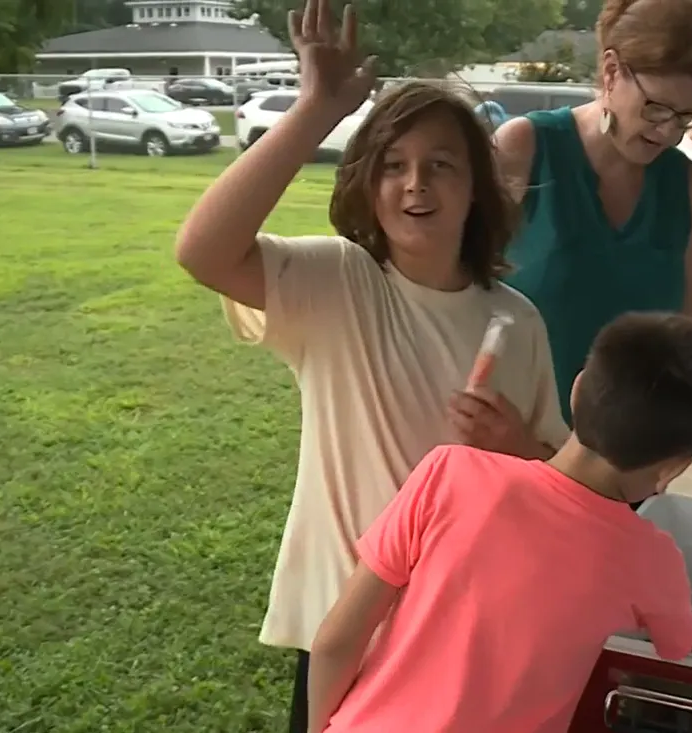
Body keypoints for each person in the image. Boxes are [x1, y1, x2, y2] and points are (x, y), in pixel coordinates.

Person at [174, 2, 569, 731]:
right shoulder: (338, 282)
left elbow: (562, 486)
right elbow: (202, 251)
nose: (415, 183)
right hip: (344, 633)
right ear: (367, 181)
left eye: (441, 165)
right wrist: (314, 112)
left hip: (462, 640)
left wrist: (519, 450)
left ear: (477, 186)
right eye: (393, 165)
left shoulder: (517, 322)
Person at [308, 312, 692, 733]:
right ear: (673, 469)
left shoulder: (449, 472)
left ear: (577, 389)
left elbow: (336, 641)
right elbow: (687, 644)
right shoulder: (650, 557)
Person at [494, 0, 692, 514]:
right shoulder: (525, 148)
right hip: (509, 447)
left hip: (623, 467)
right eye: (657, 108)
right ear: (612, 71)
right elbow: (456, 295)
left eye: (687, 116)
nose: (669, 132)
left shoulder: (683, 186)